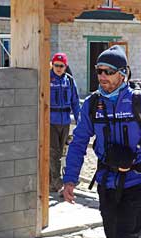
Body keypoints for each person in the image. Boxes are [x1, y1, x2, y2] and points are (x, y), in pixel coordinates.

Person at [62, 45, 141, 238]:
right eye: (99, 70)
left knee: (126, 237)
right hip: (106, 183)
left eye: (108, 71)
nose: (102, 76)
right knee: (112, 236)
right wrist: (70, 178)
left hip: (136, 183)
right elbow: (78, 142)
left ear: (122, 73)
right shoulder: (93, 104)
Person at [49, 53, 80, 193]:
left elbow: (75, 102)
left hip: (65, 122)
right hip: (50, 122)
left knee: (61, 152)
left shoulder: (70, 81)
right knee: (53, 152)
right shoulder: (46, 79)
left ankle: (53, 181)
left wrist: (79, 121)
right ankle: (57, 182)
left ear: (65, 66)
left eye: (61, 66)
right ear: (52, 64)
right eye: (56, 65)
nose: (58, 68)